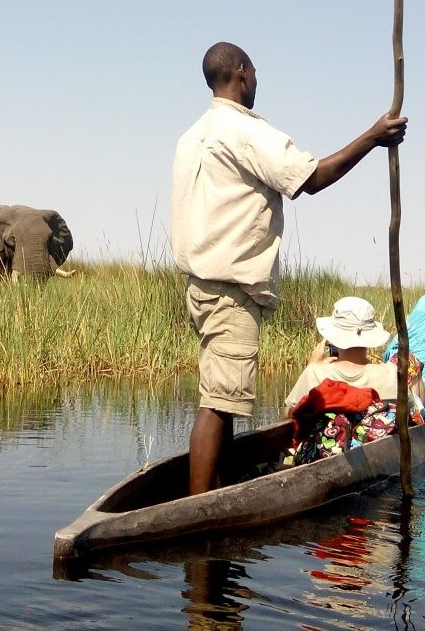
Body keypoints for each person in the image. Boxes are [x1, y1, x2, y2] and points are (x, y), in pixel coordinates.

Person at [171, 41, 408, 495]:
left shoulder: (192, 136)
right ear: (241, 72)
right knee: (219, 404)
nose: (257, 81)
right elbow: (311, 179)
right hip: (229, 288)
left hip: (200, 286)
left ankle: (216, 484)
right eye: (255, 72)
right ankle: (199, 506)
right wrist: (373, 137)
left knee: (220, 396)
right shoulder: (242, 131)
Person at [281, 296, 422, 465]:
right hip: (380, 459)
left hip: (324, 455)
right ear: (370, 338)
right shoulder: (390, 373)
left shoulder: (315, 373)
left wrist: (312, 365)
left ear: (332, 338)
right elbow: (414, 411)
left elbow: (289, 415)